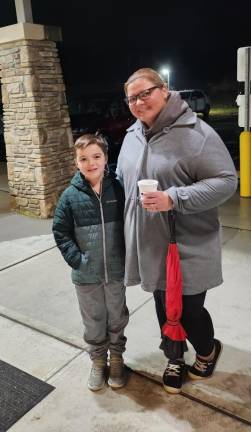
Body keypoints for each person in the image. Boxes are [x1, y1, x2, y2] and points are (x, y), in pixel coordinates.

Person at [116, 68, 238, 394]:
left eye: (146, 93)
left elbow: (227, 181)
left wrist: (175, 198)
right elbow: (120, 181)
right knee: (161, 302)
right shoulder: (132, 136)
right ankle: (174, 356)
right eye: (132, 98)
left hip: (188, 243)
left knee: (187, 309)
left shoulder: (196, 133)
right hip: (150, 244)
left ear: (165, 90)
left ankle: (207, 350)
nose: (139, 102)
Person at [53, 133, 129, 391]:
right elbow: (60, 232)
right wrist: (78, 259)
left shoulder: (118, 190)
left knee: (117, 317)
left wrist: (128, 255)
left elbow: (129, 225)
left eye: (96, 156)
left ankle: (117, 358)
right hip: (86, 276)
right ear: (76, 162)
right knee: (94, 320)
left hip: (116, 271)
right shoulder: (69, 197)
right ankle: (98, 362)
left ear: (106, 158)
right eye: (83, 158)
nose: (90, 163)